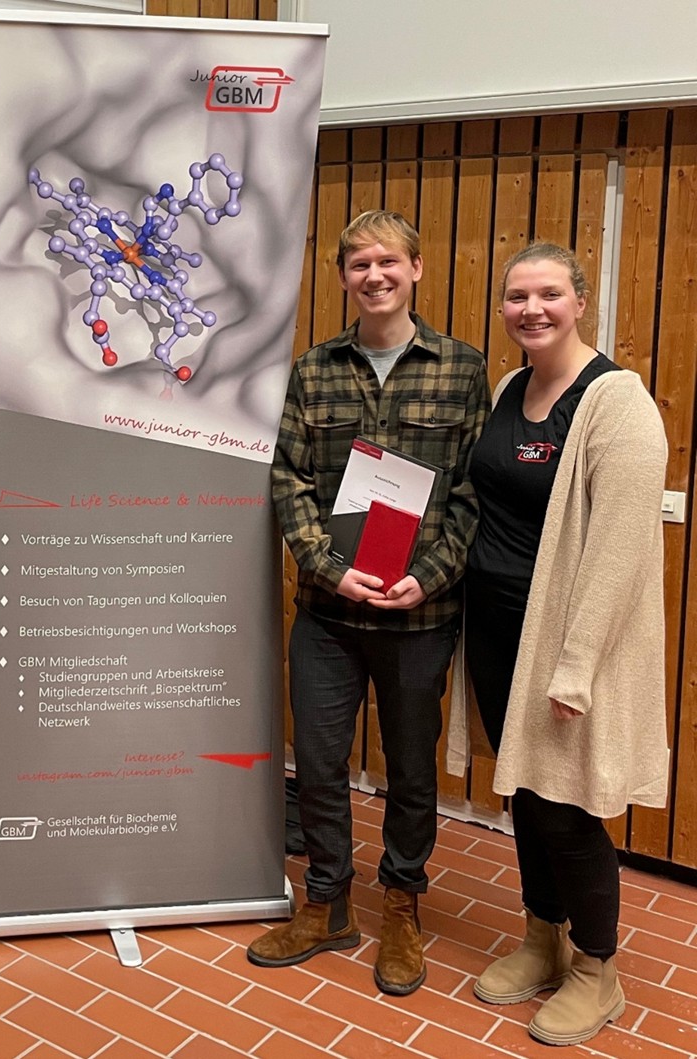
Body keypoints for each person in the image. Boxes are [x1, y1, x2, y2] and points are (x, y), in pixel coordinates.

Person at [250, 210, 490, 996]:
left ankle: (401, 907)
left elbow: (470, 493)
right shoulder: (314, 369)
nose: (375, 276)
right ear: (343, 276)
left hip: (420, 616)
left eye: (389, 262)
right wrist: (326, 564)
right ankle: (328, 905)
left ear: (417, 268)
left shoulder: (461, 368)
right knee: (317, 765)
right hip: (328, 613)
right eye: (359, 265)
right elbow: (287, 478)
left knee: (411, 771)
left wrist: (432, 574)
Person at [452, 242, 669, 1046]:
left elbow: (617, 555)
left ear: (580, 301)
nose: (530, 309)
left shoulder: (618, 405)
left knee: (570, 808)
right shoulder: (511, 387)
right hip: (500, 632)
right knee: (527, 797)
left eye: (548, 293)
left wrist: (574, 668)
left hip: (568, 647)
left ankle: (596, 969)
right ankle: (542, 936)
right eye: (516, 296)